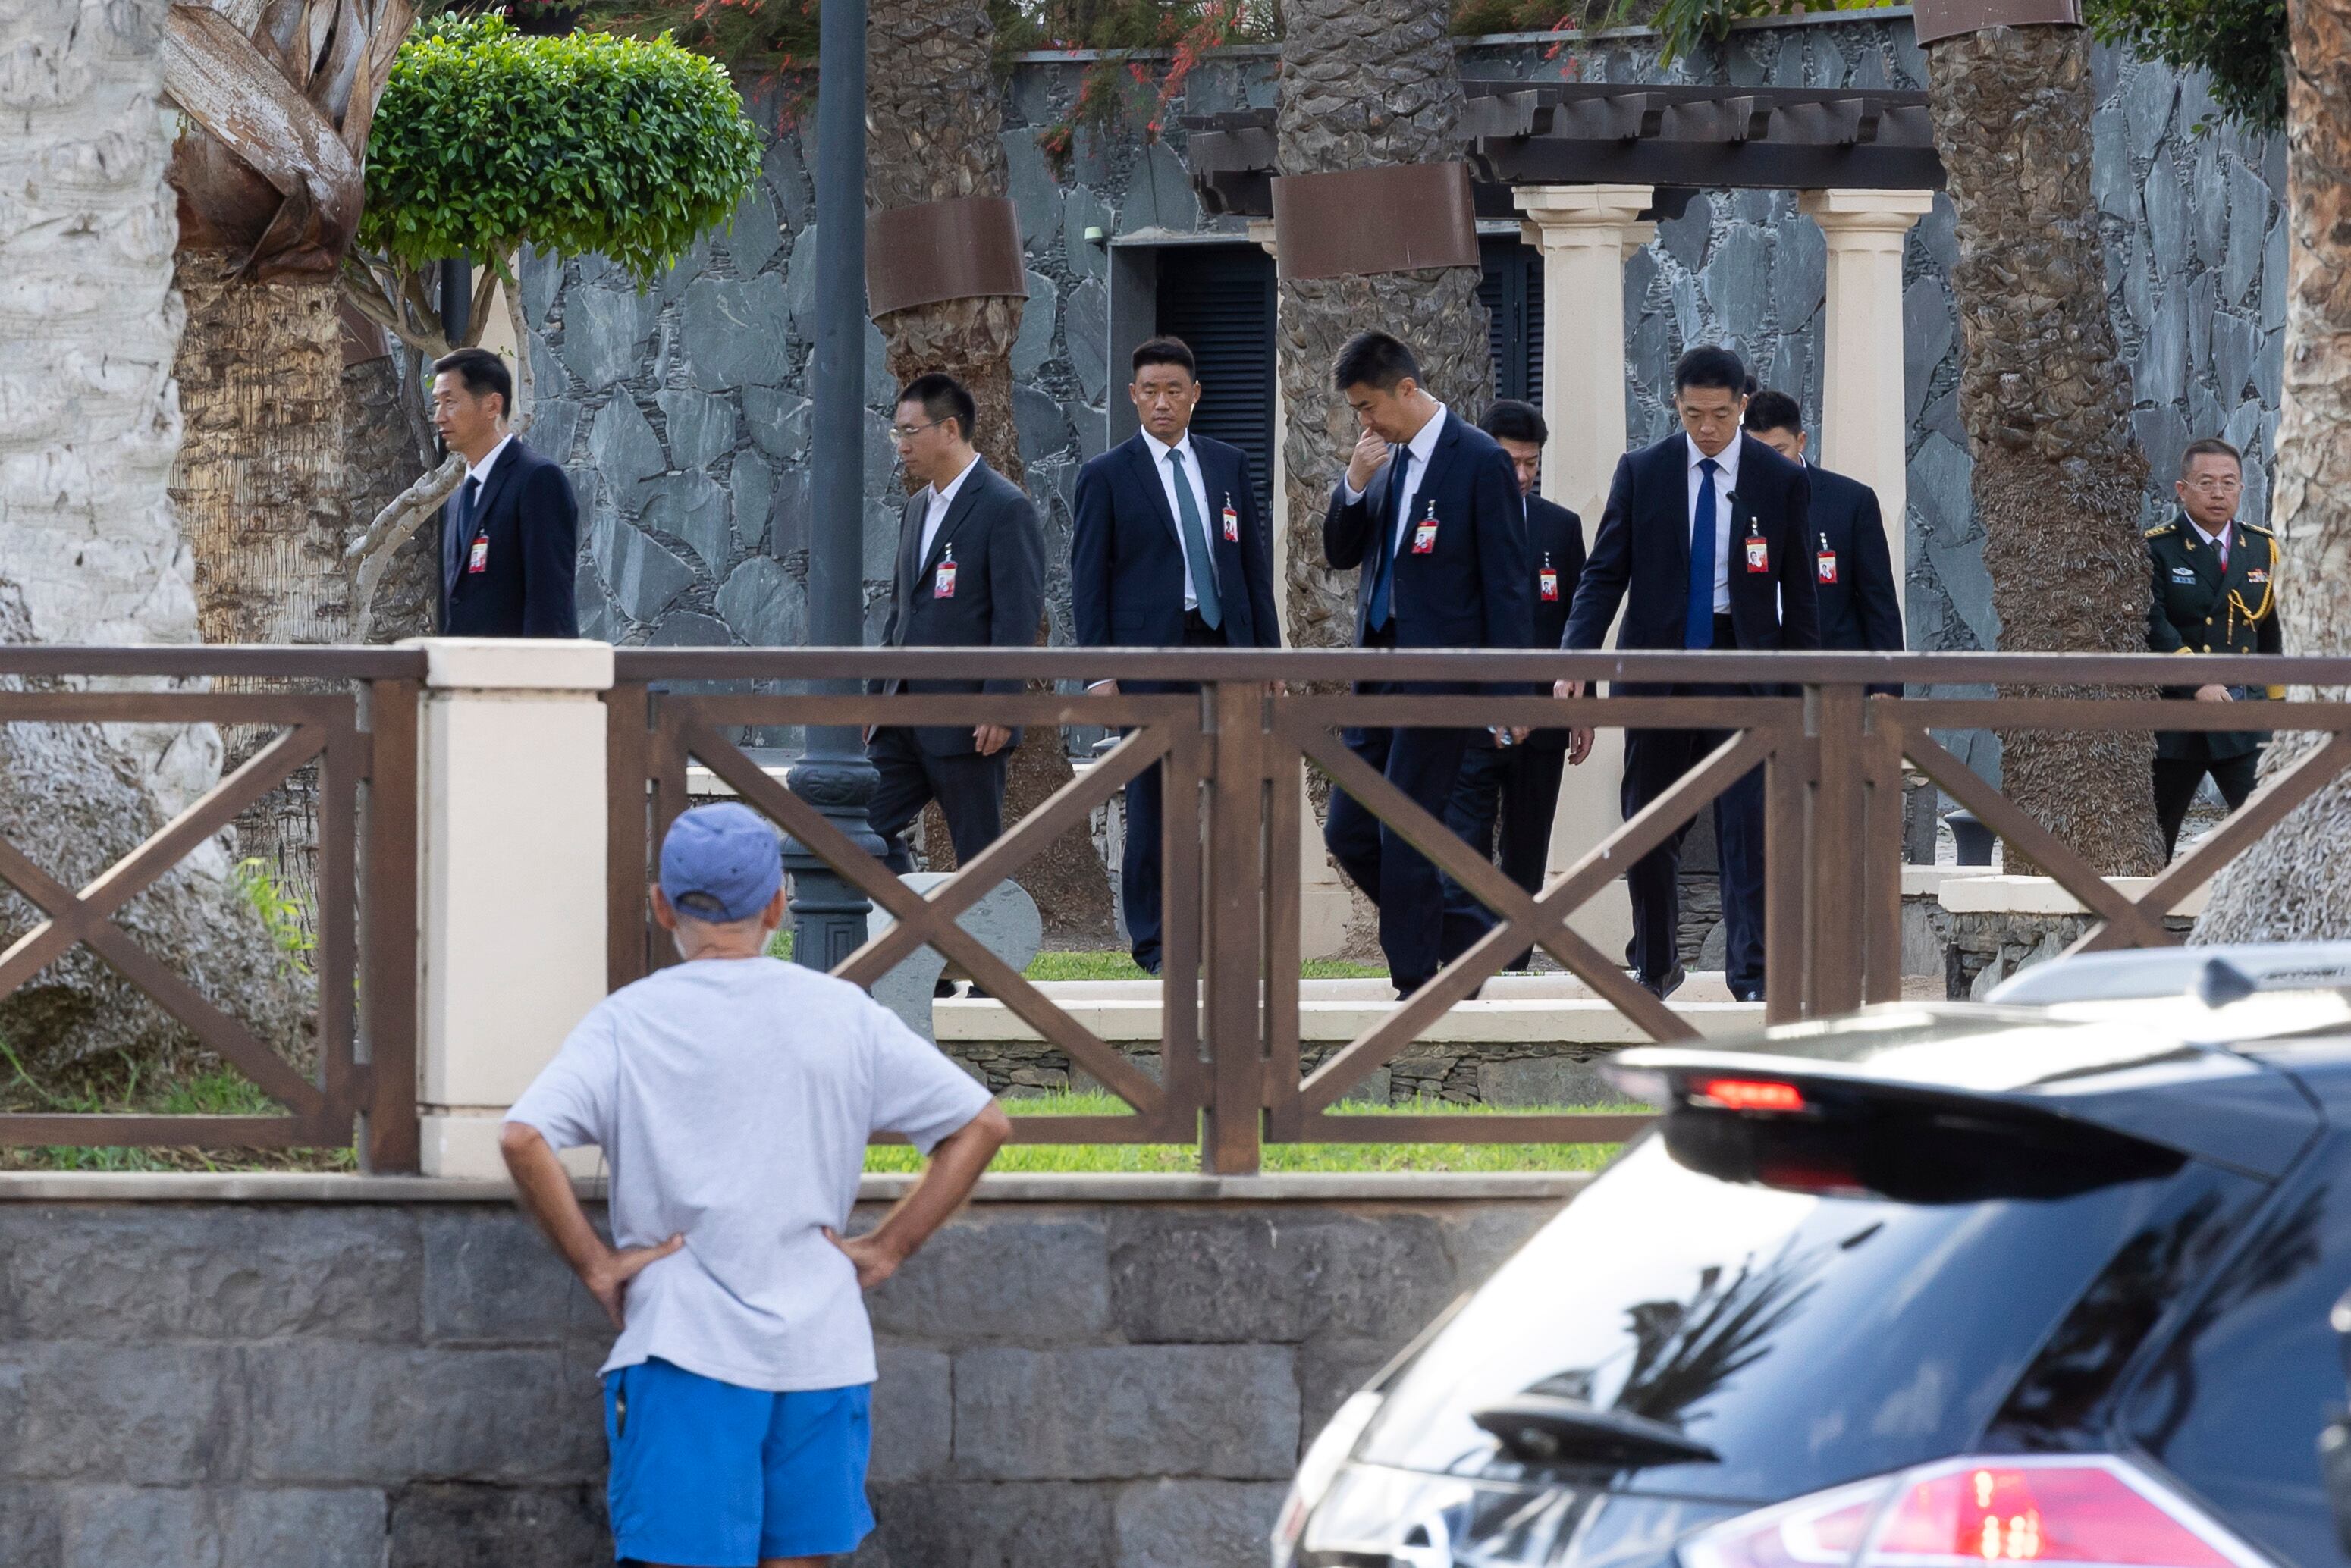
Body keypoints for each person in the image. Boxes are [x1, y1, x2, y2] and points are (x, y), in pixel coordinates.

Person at [501, 802, 1012, 1568]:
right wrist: (886, 1247)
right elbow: (981, 1125)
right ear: (778, 904)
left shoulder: (628, 1022)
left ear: (661, 905)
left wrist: (596, 1263)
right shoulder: (843, 1014)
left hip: (683, 1346)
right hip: (821, 1347)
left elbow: (523, 1135)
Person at [1556, 345, 1818, 1002]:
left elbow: (1802, 595)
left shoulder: (1779, 479)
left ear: (1743, 407)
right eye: (1694, 414)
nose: (1707, 428)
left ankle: (1751, 976)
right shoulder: (1643, 472)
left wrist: (1807, 689)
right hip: (1657, 665)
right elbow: (1603, 574)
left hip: (1744, 665)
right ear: (1676, 405)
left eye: (1721, 416)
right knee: (1648, 823)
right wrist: (1576, 664)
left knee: (1747, 828)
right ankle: (1655, 961)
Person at [1321, 331, 1532, 996]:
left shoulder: (1478, 461)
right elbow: (1340, 552)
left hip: (1440, 678)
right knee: (1350, 830)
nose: (1365, 422)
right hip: (1375, 673)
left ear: (1406, 390)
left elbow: (1508, 584)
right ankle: (1471, 937)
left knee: (1406, 828)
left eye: (1368, 406)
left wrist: (1511, 691)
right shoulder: (1383, 461)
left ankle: (1418, 985)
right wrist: (1353, 483)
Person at [1072, 336, 1282, 975]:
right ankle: (1157, 943)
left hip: (1226, 650)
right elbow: (1088, 580)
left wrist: (1268, 661)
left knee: (1235, 794)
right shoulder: (1106, 475)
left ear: (1195, 395)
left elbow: (1251, 568)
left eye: (1174, 390)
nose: (1162, 402)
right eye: (1150, 391)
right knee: (1155, 802)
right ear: (1133, 396)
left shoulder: (1226, 464)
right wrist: (1101, 673)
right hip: (1150, 661)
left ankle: (1230, 932)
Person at [869, 373, 1047, 873]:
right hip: (901, 716)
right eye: (896, 433)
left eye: (909, 431)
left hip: (969, 723)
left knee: (979, 862)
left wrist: (999, 701)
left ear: (949, 429)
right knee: (859, 830)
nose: (900, 445)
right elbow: (900, 613)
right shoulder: (915, 508)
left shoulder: (1004, 507)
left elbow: (1017, 616)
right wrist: (876, 694)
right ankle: (910, 930)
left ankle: (978, 953)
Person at [1439, 399, 1587, 970]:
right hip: (1470, 719)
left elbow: (1578, 621)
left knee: (1527, 847)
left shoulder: (1560, 527)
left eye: (1532, 464)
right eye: (1511, 462)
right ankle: (1468, 959)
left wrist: (1581, 708)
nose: (1522, 475)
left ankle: (1515, 962)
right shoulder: (1454, 519)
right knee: (1464, 843)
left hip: (1543, 721)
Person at [2146, 437, 2283, 858]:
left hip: (2243, 715)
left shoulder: (2262, 546)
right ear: (2182, 489)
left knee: (2272, 830)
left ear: (2243, 488)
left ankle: (2264, 920)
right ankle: (2142, 921)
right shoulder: (2158, 548)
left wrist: (2278, 706)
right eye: (2206, 483)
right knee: (2155, 839)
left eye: (2229, 483)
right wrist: (2197, 683)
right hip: (2177, 717)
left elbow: (2270, 632)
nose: (2219, 493)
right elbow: (2153, 624)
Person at [1741, 388, 1903, 681]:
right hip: (1755, 682)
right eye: (1757, 452)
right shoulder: (1731, 501)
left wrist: (1887, 686)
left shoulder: (1851, 501)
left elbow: (1879, 604)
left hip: (1835, 680)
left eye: (1778, 452)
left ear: (1800, 441)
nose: (1768, 464)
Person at [432, 346, 579, 637]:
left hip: (520, 678)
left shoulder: (537, 480)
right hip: (464, 678)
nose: (439, 416)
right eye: (437, 403)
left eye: (450, 402)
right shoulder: (458, 499)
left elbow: (550, 607)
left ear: (492, 406)